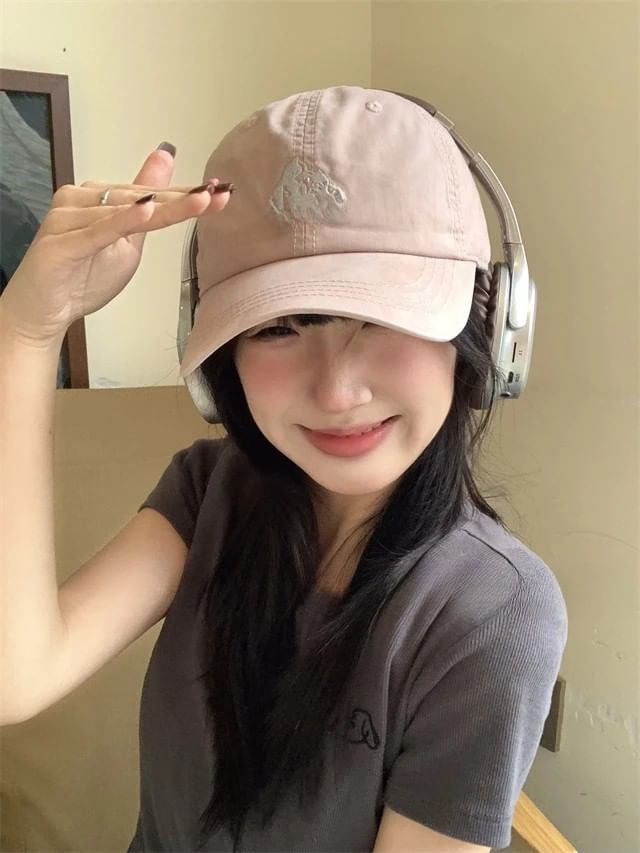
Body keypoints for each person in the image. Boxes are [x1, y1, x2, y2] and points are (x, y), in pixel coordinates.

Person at [0, 86, 568, 853]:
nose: (335, 390)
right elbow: (16, 674)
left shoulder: (494, 611)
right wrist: (28, 330)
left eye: (382, 318)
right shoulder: (208, 492)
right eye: (278, 327)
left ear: (487, 329)